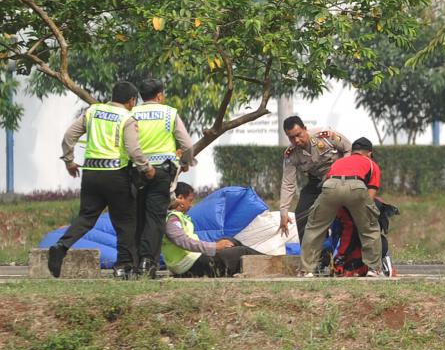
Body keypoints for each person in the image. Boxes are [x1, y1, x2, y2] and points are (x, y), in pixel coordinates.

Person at [48, 81, 154, 279]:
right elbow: (133, 149)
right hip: (117, 174)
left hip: (90, 174)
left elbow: (69, 136)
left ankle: (61, 247)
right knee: (125, 223)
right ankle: (123, 266)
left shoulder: (93, 111)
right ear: (131, 101)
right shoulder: (127, 118)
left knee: (86, 218)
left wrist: (69, 161)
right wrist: (146, 169)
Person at [133, 79, 196, 278]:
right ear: (159, 95)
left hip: (137, 171)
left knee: (138, 217)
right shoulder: (169, 113)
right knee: (155, 219)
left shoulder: (131, 114)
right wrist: (186, 162)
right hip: (162, 172)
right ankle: (148, 263)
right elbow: (186, 144)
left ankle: (134, 264)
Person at [298, 136, 383, 277]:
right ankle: (374, 269)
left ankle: (306, 270)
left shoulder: (340, 161)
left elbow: (330, 184)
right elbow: (371, 194)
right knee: (369, 228)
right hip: (356, 187)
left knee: (314, 227)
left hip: (330, 186)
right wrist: (362, 214)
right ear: (369, 153)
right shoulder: (371, 164)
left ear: (354, 151)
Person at [162, 182, 262, 277]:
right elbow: (183, 242)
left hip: (193, 259)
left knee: (231, 241)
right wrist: (214, 247)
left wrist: (217, 246)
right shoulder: (172, 219)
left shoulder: (180, 217)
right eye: (190, 200)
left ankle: (267, 261)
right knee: (242, 252)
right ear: (180, 198)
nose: (191, 205)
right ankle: (272, 263)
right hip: (188, 265)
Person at [278, 115, 351, 243]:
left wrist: (341, 172)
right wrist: (283, 212)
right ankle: (311, 257)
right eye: (291, 137)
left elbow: (348, 148)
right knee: (301, 213)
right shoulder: (291, 154)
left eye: (298, 134)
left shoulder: (326, 136)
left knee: (336, 213)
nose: (296, 140)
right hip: (316, 181)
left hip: (339, 178)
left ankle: (339, 250)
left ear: (305, 129)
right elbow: (288, 183)